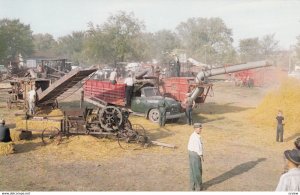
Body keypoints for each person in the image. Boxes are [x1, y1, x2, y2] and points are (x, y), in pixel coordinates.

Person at [188, 123, 204, 191]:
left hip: (191, 153)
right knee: (197, 171)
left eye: (201, 128)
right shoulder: (195, 137)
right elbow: (198, 148)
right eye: (199, 128)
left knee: (193, 170)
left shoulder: (194, 135)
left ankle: (192, 186)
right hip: (195, 155)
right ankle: (198, 187)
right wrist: (201, 155)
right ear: (195, 129)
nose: (200, 130)